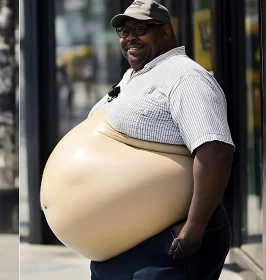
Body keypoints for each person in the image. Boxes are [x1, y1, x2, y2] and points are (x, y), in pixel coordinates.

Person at [88, 1, 235, 279]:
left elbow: (215, 151)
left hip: (165, 240)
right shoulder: (138, 74)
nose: (129, 37)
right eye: (124, 30)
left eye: (140, 29)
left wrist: (193, 228)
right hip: (125, 240)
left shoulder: (185, 77)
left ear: (166, 32)